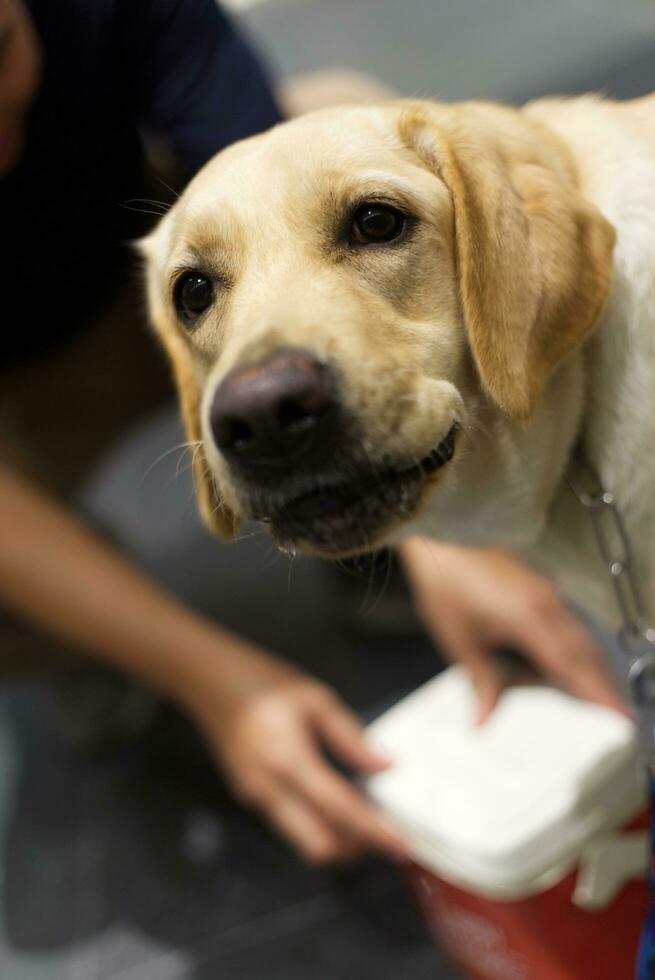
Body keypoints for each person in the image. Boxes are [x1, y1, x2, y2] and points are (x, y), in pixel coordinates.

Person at [0, 0, 624, 867]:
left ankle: (382, 537)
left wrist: (444, 534)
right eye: (196, 294)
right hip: (20, 383)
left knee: (331, 113)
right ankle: (99, 650)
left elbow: (269, 159)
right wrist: (220, 686)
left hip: (120, 257)